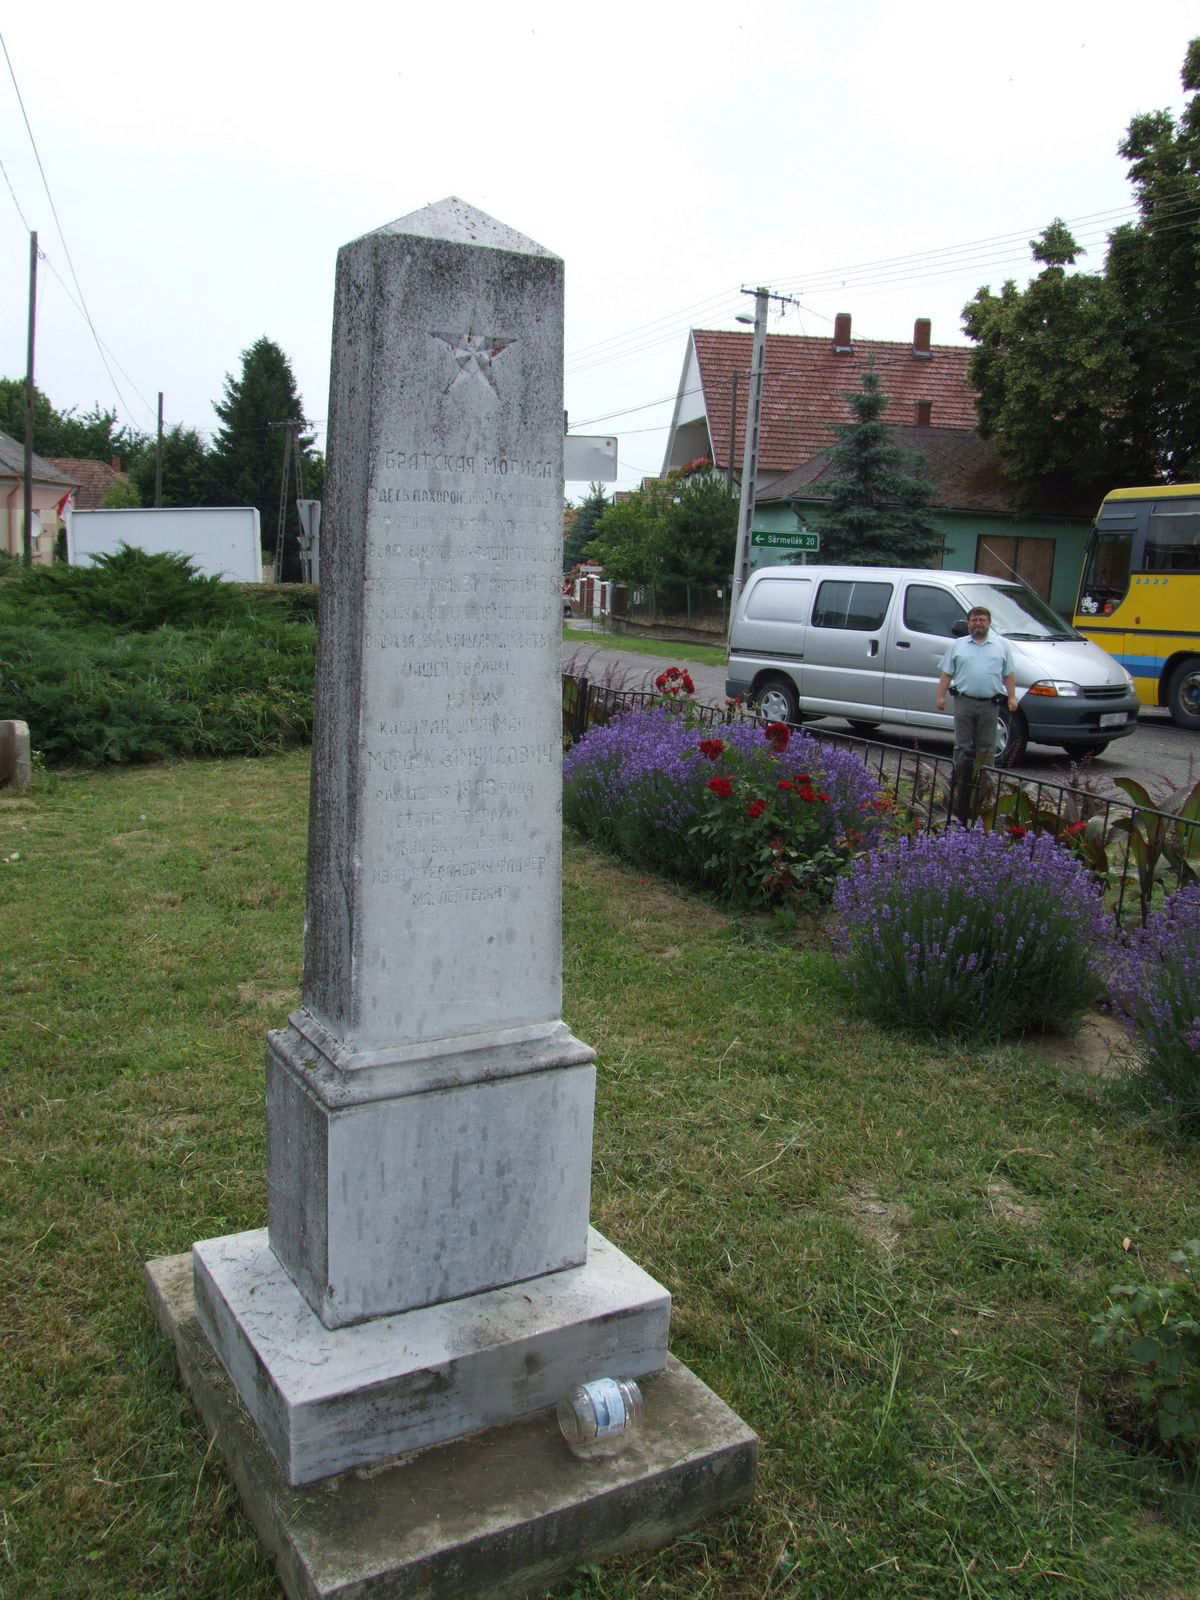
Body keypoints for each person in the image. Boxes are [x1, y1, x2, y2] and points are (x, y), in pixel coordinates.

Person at [936, 606, 1018, 815]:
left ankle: (984, 790)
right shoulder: (958, 645)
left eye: (982, 620)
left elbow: (1008, 674)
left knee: (986, 748)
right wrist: (940, 696)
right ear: (968, 623)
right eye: (974, 620)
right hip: (964, 702)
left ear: (989, 623)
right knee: (962, 745)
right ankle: (958, 788)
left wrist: (1012, 697)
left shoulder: (1001, 646)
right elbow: (947, 673)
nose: (978, 623)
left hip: (990, 704)